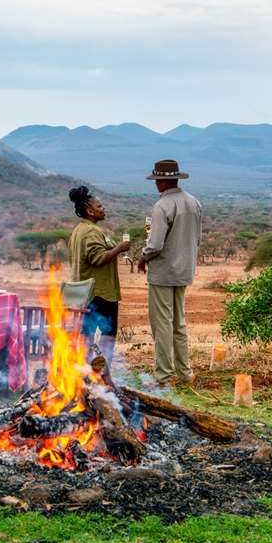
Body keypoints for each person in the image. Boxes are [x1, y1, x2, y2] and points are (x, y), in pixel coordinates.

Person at [137, 160, 203, 387]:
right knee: (179, 322)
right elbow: (197, 240)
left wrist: (143, 257)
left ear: (162, 181)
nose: (156, 185)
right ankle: (185, 372)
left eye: (157, 180)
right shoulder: (194, 202)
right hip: (184, 270)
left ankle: (163, 375)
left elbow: (155, 244)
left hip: (163, 272)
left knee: (162, 323)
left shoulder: (162, 206)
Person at [68, 186, 130, 365]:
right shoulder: (91, 232)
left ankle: (86, 371)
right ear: (90, 211)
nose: (103, 209)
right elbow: (98, 259)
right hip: (100, 292)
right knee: (108, 333)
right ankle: (103, 372)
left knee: (86, 333)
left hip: (86, 291)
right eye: (100, 207)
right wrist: (119, 248)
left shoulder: (81, 229)